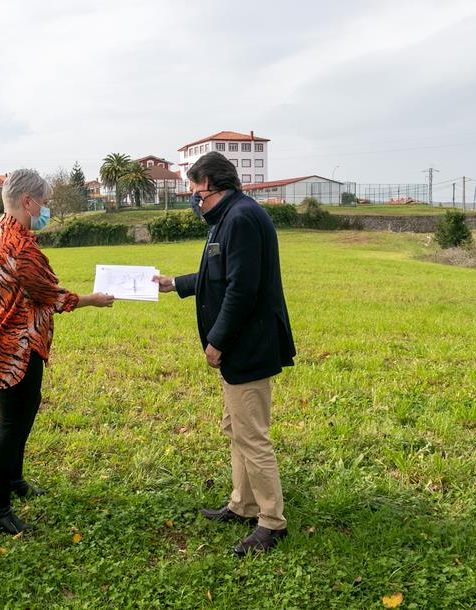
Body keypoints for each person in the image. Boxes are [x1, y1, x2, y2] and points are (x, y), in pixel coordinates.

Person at [153, 151, 296, 557]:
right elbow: (220, 273)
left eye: (196, 193)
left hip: (247, 344)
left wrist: (217, 341)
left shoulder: (242, 219)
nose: (194, 201)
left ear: (215, 186)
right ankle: (243, 504)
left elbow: (242, 289)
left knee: (252, 436)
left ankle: (271, 522)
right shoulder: (229, 218)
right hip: (241, 343)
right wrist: (175, 283)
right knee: (236, 428)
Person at [0, 168, 114, 534]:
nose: (46, 210)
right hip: (18, 347)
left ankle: (14, 480)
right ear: (27, 201)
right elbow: (52, 295)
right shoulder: (21, 248)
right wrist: (92, 300)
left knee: (21, 413)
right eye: (45, 203)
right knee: (12, 425)